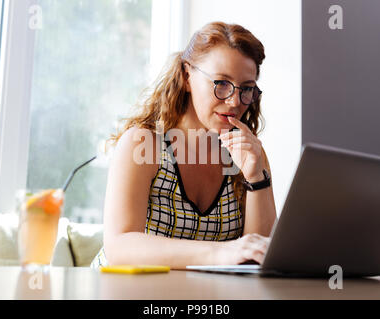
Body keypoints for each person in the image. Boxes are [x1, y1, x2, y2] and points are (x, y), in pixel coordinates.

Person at [91, 22, 277, 269]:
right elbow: (120, 246)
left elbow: (256, 255)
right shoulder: (142, 143)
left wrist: (256, 176)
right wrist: (220, 253)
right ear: (187, 76)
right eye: (221, 83)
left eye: (246, 88)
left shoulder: (249, 154)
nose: (234, 101)